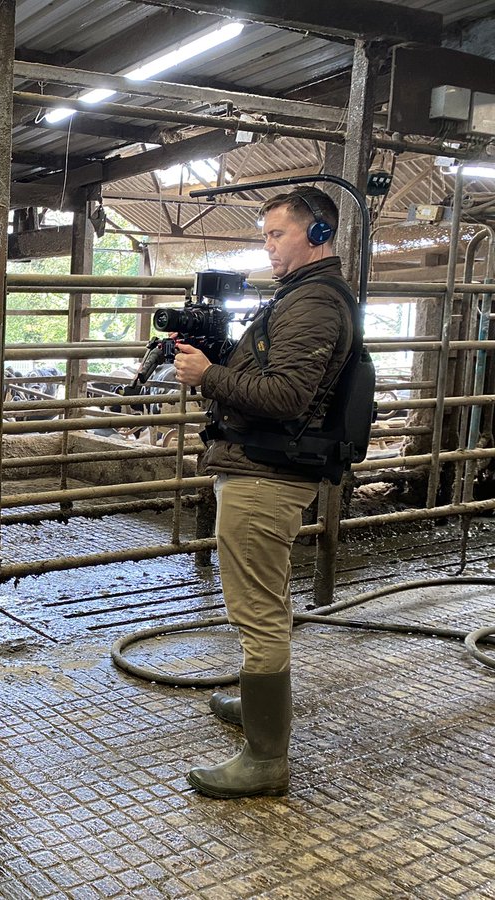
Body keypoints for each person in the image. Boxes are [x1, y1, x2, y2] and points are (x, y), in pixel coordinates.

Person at [173, 186, 355, 799]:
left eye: (278, 234)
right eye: (266, 234)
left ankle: (265, 759)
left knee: (258, 616)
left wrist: (209, 375)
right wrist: (227, 364)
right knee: (263, 602)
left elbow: (287, 398)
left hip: (265, 477)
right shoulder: (301, 299)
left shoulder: (314, 306)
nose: (268, 246)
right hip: (259, 469)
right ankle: (259, 712)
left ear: (319, 235)